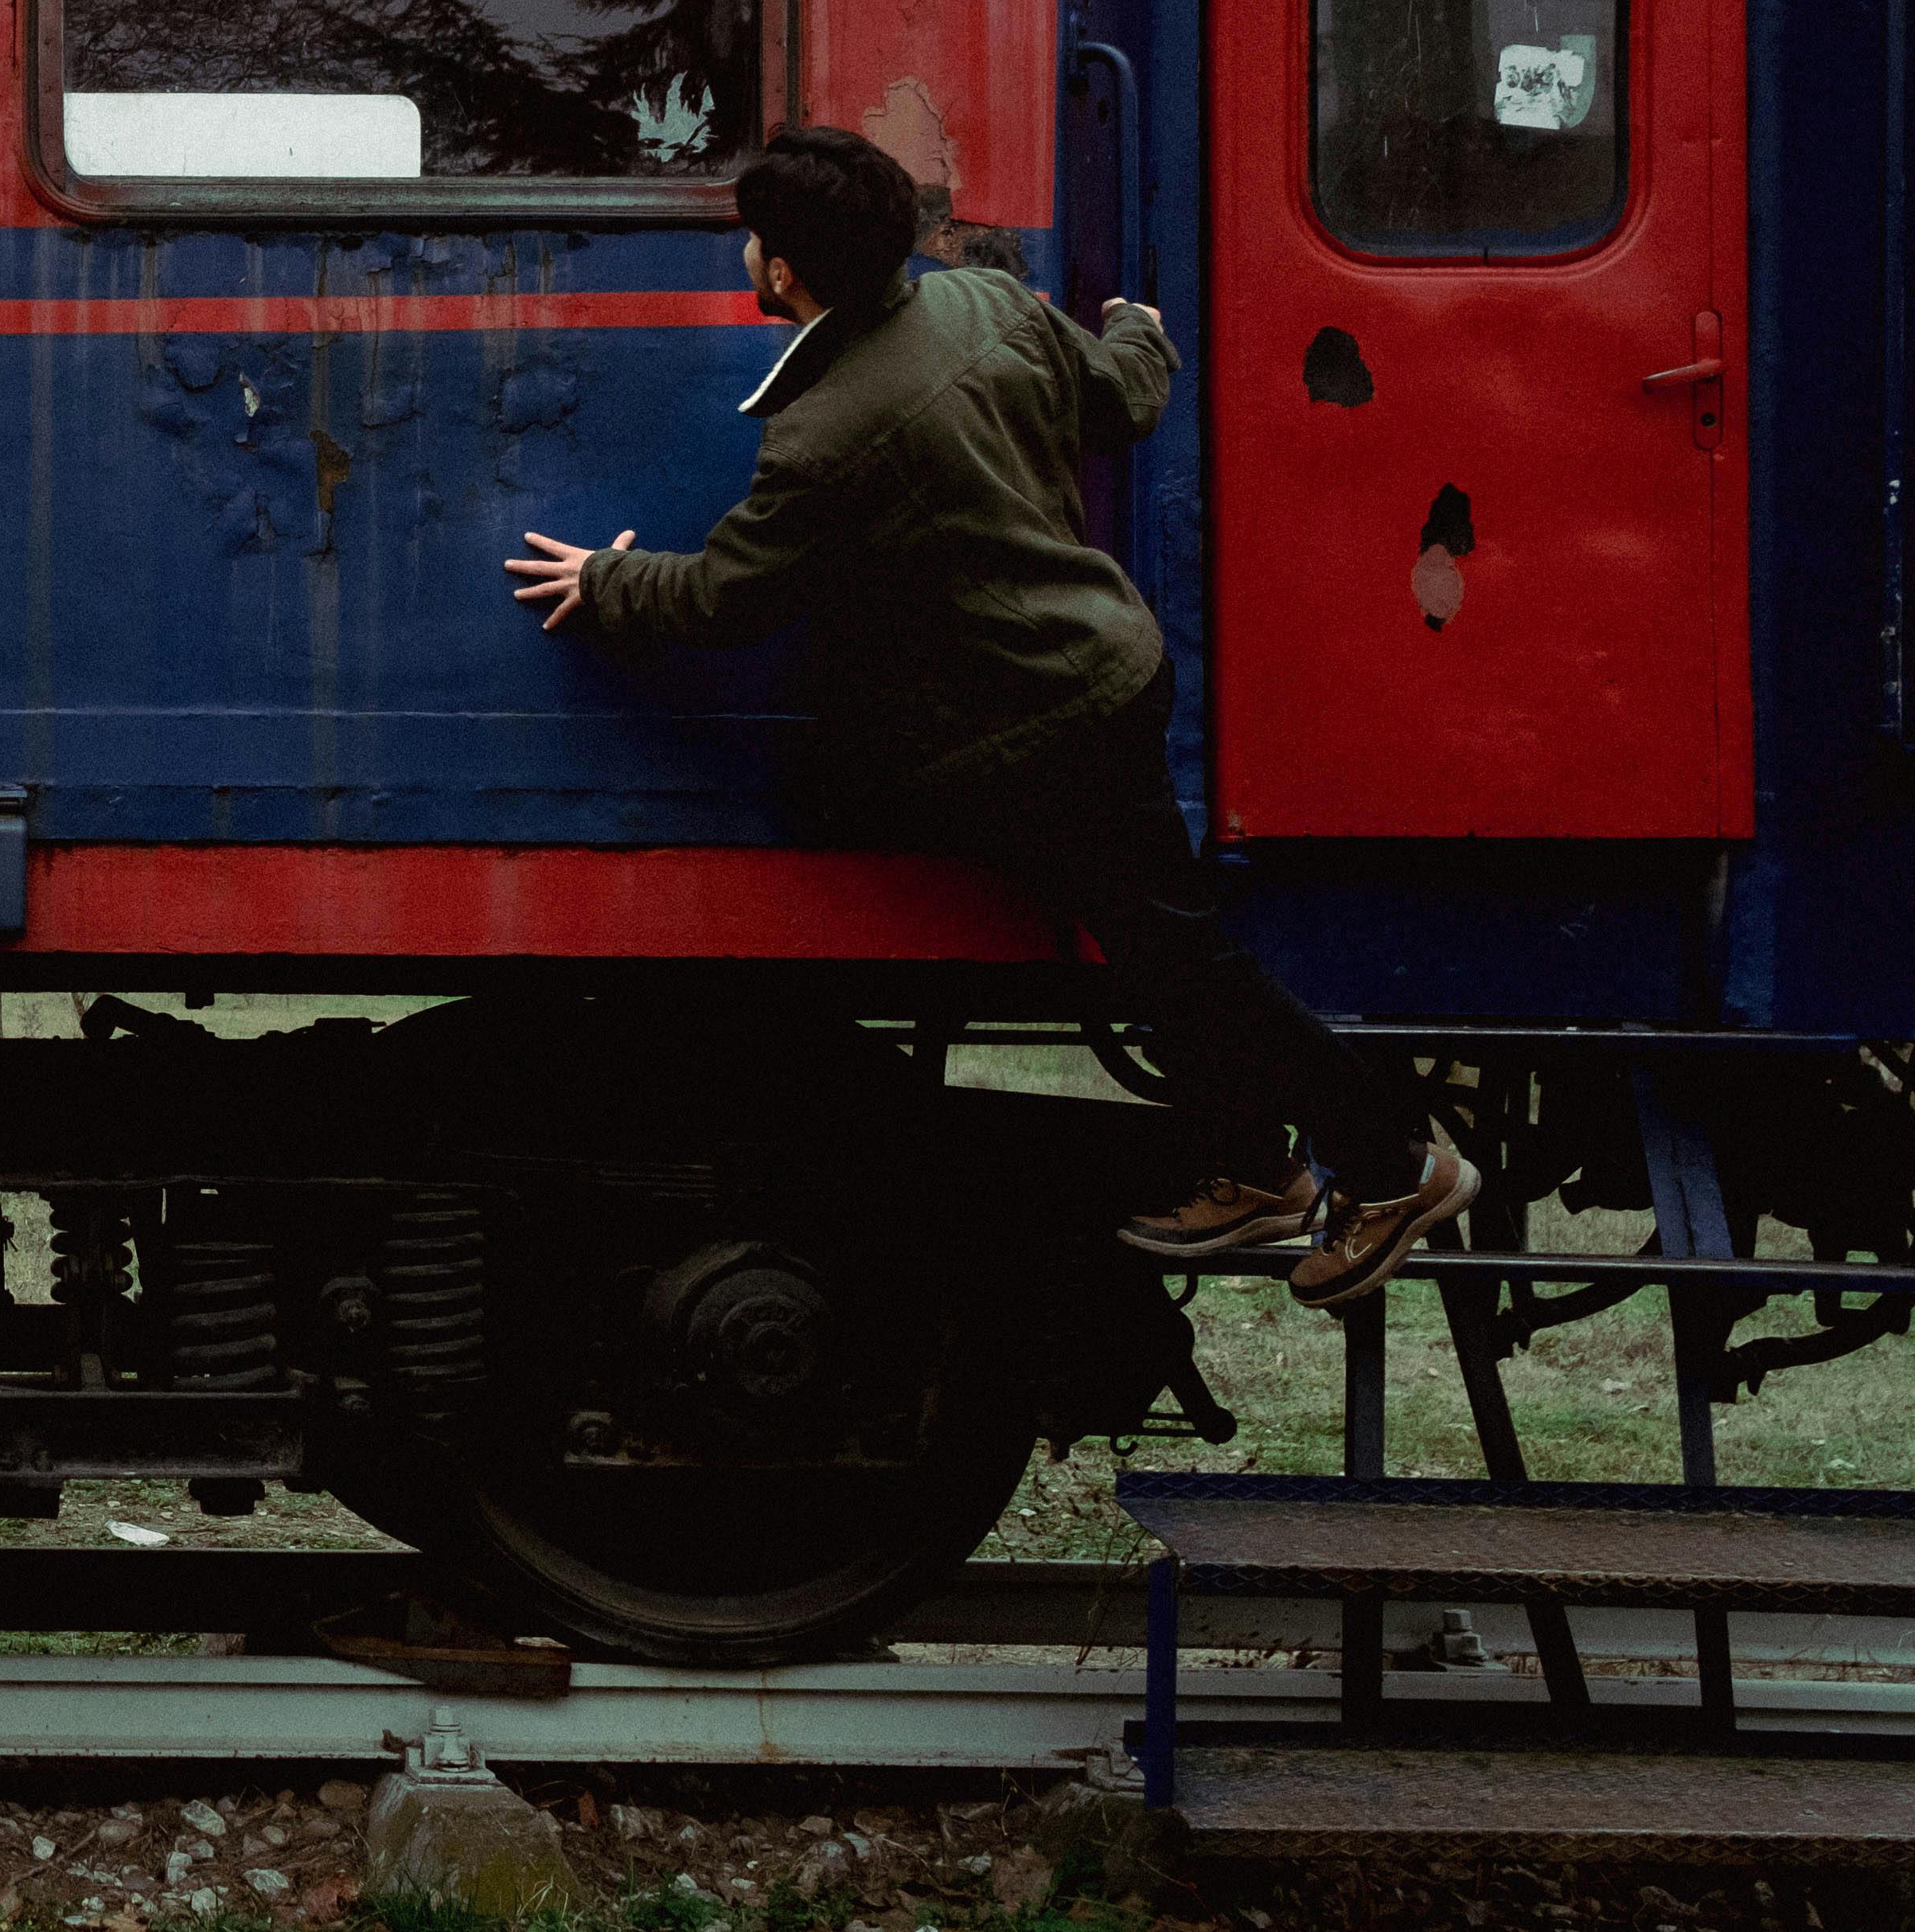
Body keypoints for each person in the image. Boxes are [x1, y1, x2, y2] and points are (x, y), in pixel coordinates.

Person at [504, 121, 1472, 1309]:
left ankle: (1394, 1161)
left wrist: (603, 582)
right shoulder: (984, 307)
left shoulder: (823, 435)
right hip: (1104, 668)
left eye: (755, 238)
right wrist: (1137, 329)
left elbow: (724, 597)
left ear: (785, 271)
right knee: (1160, 949)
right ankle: (1253, 1166)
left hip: (1038, 722)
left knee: (1185, 961)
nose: (747, 253)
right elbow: (1122, 400)